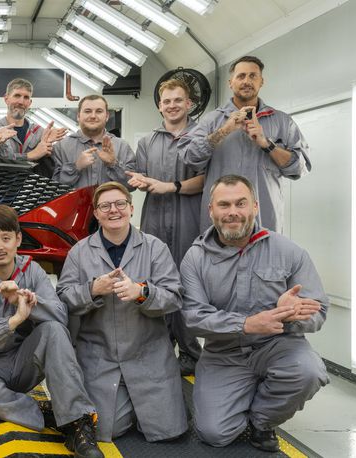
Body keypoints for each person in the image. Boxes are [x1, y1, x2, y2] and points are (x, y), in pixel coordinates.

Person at [180, 174, 329, 452]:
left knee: (308, 371)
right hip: (224, 353)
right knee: (214, 433)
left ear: (255, 207)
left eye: (241, 203)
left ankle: (261, 421)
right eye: (224, 205)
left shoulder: (288, 251)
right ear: (211, 210)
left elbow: (319, 309)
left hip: (278, 345)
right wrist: (247, 324)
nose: (233, 212)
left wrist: (293, 315)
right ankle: (242, 395)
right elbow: (194, 317)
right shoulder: (195, 258)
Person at [0, 205, 103, 458]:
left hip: (24, 361)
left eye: (5, 238)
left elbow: (60, 316)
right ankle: (55, 415)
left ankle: (78, 423)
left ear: (18, 239)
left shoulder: (32, 271)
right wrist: (13, 322)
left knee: (53, 330)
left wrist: (28, 306)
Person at [57, 182, 187, 443]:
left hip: (148, 355)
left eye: (119, 204)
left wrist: (142, 293)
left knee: (168, 431)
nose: (113, 210)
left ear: (131, 208)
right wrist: (93, 289)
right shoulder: (79, 252)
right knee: (108, 429)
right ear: (95, 213)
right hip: (99, 356)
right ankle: (125, 400)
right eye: (105, 206)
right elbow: (63, 298)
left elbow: (175, 297)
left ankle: (141, 400)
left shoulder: (155, 248)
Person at [178, 55, 311, 233]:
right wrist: (223, 131)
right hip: (222, 225)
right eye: (241, 76)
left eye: (252, 76)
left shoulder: (283, 122)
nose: (246, 81)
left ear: (261, 81)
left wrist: (267, 144)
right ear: (230, 82)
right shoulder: (211, 121)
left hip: (265, 223)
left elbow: (299, 167)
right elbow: (189, 157)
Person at [125, 78, 204, 375]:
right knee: (156, 283)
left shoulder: (200, 137)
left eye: (177, 100)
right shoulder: (147, 142)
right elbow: (141, 179)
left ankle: (190, 351)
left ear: (189, 104)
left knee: (187, 285)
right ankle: (160, 346)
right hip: (155, 220)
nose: (171, 106)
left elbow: (207, 178)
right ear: (159, 105)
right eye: (166, 101)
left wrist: (171, 186)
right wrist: (138, 181)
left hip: (189, 218)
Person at [53, 94, 135, 189]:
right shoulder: (61, 147)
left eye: (99, 111)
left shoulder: (122, 146)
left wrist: (113, 164)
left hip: (111, 204)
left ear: (107, 116)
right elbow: (53, 188)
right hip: (75, 204)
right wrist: (76, 167)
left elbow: (131, 185)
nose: (93, 116)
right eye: (87, 111)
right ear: (78, 116)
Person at [0, 78, 67, 177]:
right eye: (17, 95)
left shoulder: (40, 132)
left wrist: (48, 151)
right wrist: (32, 155)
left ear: (30, 103)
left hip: (32, 189)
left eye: (26, 97)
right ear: (6, 99)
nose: (21, 101)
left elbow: (52, 169)